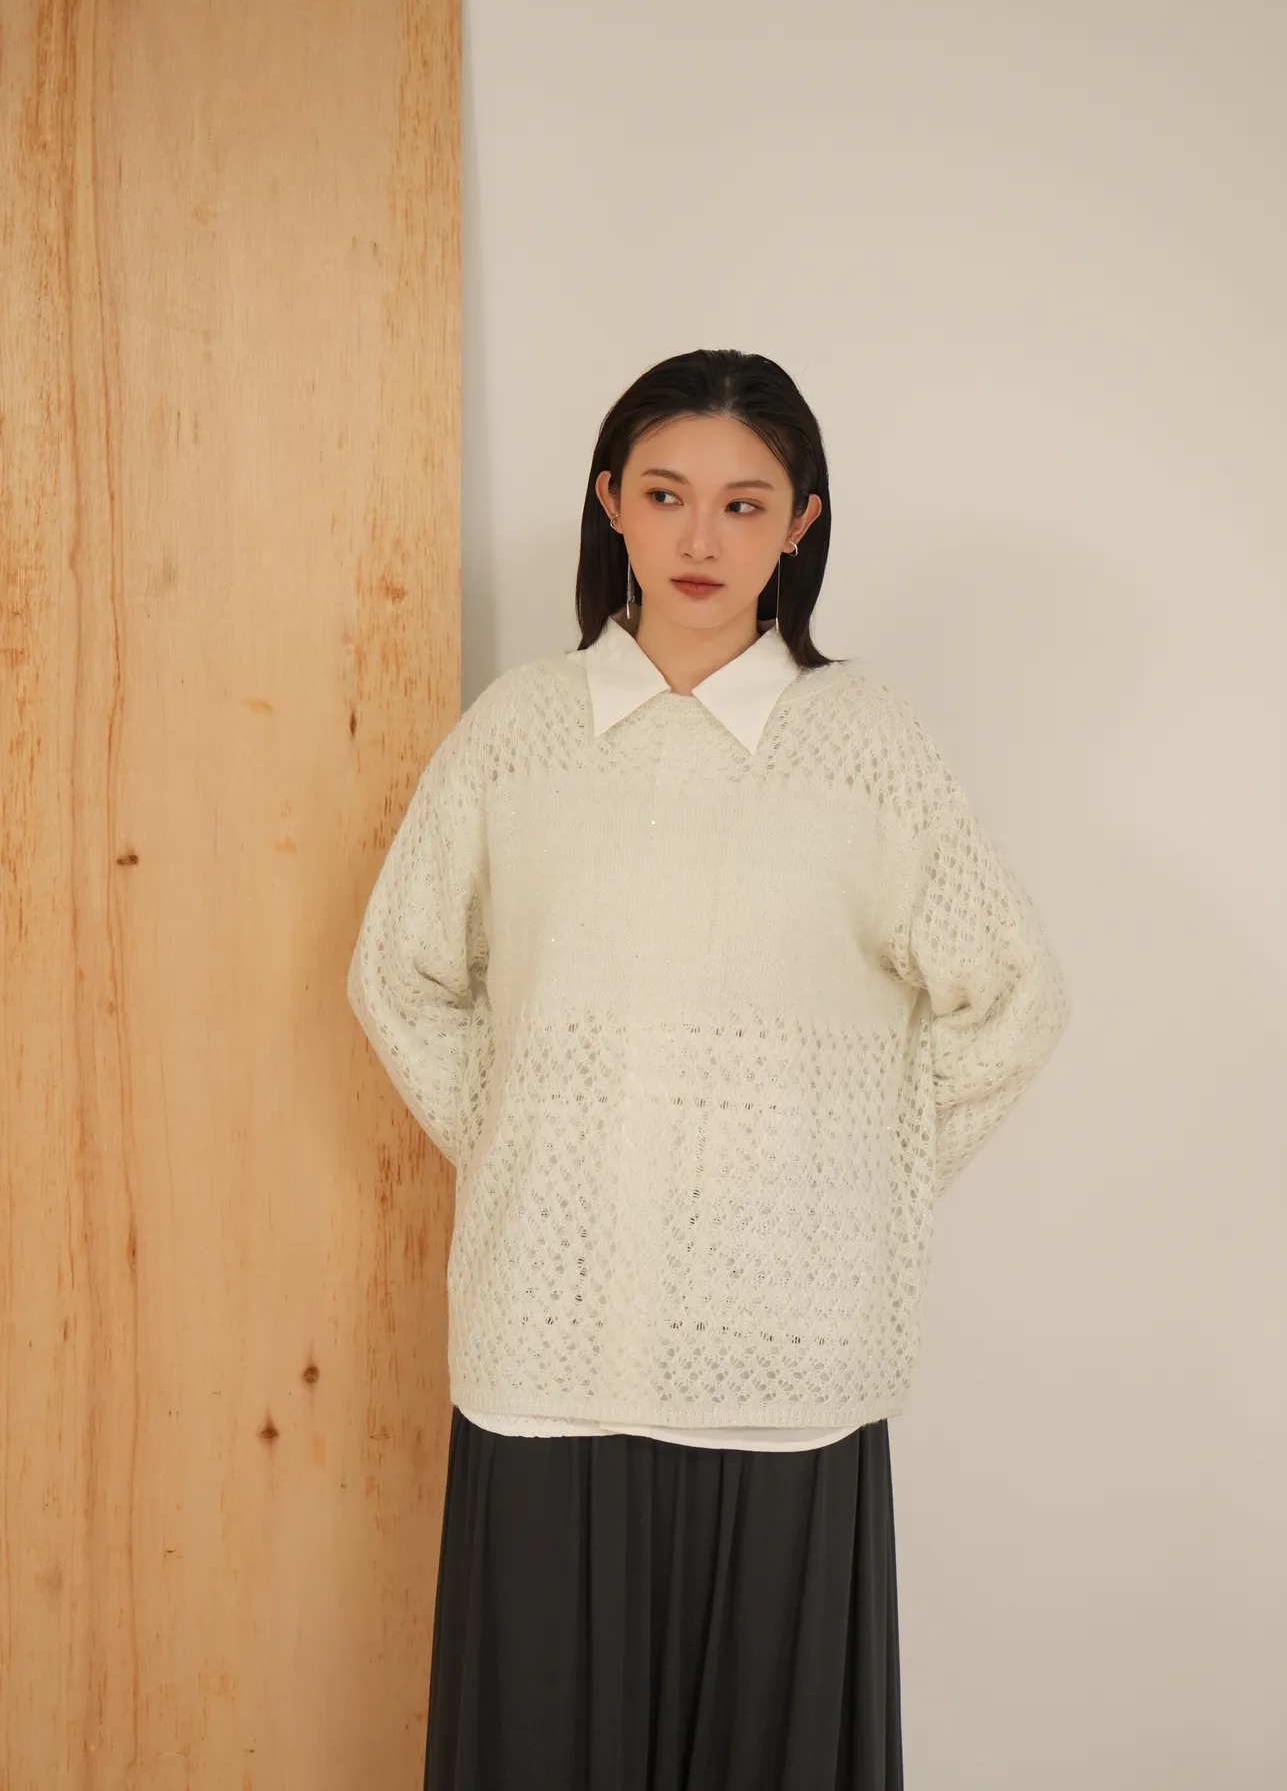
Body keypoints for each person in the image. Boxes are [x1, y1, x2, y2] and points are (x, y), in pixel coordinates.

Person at [345, 347, 1073, 1790]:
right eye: (666, 494)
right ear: (608, 500)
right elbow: (398, 977)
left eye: (745, 505)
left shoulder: (866, 749)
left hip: (787, 1367)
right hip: (545, 1362)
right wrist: (532, 1153)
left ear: (801, 524)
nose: (701, 538)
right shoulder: (517, 735)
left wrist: (850, 1184)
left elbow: (1010, 998)